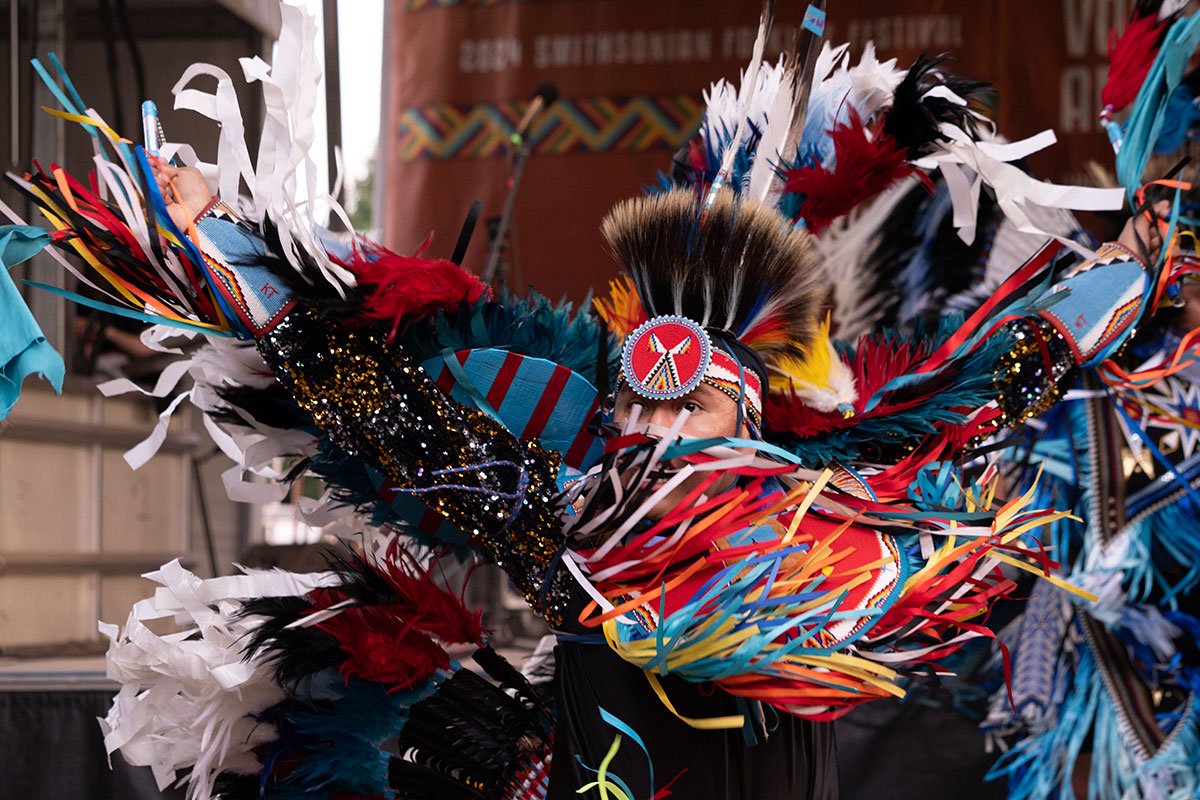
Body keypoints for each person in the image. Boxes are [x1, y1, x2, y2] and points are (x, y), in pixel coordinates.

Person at [2, 5, 1191, 798]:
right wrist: (218, 240)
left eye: (696, 413)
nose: (665, 435)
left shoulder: (849, 530)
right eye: (647, 412)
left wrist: (1146, 268)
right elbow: (383, 407)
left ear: (755, 417)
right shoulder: (565, 525)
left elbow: (991, 391)